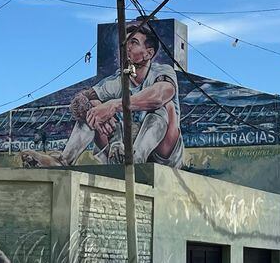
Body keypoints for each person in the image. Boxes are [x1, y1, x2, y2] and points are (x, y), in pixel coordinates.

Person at [22, 22, 182, 168]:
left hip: (162, 153)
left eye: (133, 43)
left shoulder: (162, 71)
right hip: (118, 147)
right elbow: (82, 98)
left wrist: (112, 105)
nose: (126, 47)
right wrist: (98, 110)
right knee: (92, 108)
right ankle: (64, 160)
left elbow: (160, 95)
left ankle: (136, 157)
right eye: (125, 43)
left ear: (148, 53)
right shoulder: (116, 80)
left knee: (164, 106)